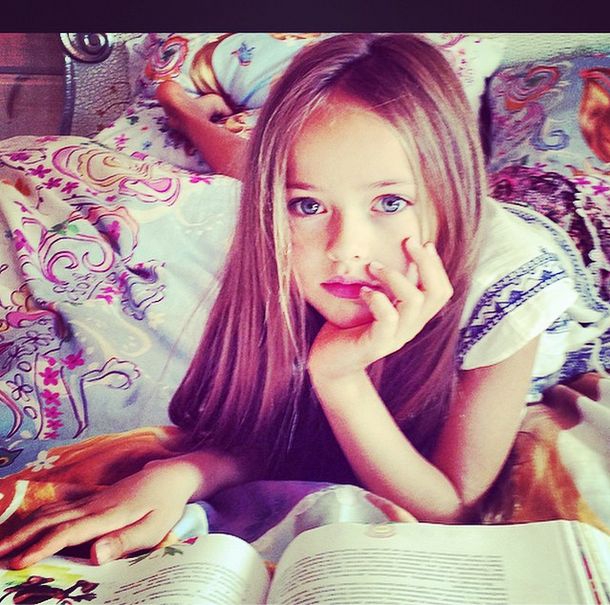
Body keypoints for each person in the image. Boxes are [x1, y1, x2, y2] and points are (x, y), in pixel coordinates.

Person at [1, 33, 608, 569]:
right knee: (254, 165)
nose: (345, 250)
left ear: (446, 195)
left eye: (390, 203)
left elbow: (448, 505)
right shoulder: (278, 231)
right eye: (308, 206)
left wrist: (340, 379)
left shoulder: (512, 287)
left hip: (559, 226)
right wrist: (182, 471)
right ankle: (185, 111)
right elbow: (284, 429)